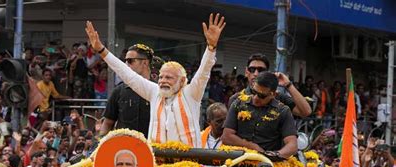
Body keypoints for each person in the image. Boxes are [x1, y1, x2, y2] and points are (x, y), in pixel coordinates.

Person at [86, 13, 226, 147]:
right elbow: (127, 74)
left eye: (169, 77)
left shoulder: (191, 94)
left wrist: (211, 48)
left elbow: (204, 72)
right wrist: (101, 50)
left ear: (182, 81)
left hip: (187, 164)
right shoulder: (154, 92)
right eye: (161, 77)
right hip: (157, 163)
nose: (163, 81)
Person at [222, 71, 298, 159]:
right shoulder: (238, 103)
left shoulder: (283, 111)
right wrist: (251, 146)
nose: (255, 98)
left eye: (262, 96)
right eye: (254, 92)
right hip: (237, 160)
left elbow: (292, 145)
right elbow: (226, 137)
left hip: (267, 164)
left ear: (273, 94)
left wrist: (273, 155)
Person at [227, 53, 311, 117]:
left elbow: (306, 112)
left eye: (261, 70)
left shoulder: (278, 97)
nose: (256, 74)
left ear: (267, 73)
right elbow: (229, 133)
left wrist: (288, 84)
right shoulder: (236, 99)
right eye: (252, 69)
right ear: (246, 72)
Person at [100, 44, 155, 137]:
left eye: (130, 61)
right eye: (125, 61)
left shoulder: (157, 90)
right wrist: (101, 143)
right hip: (124, 147)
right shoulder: (118, 91)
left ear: (145, 63)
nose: (126, 65)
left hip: (151, 147)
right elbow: (108, 123)